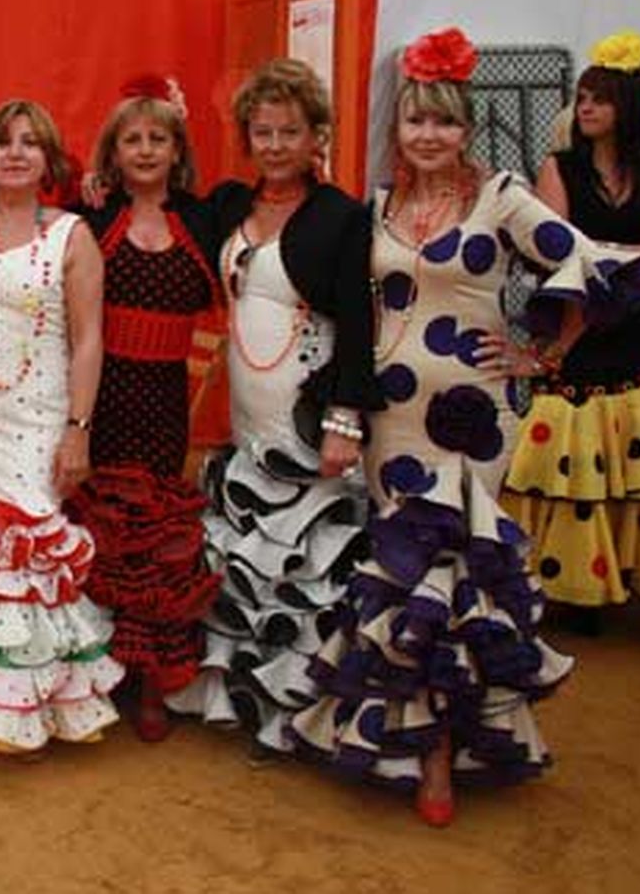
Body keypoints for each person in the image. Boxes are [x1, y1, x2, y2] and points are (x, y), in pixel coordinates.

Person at [290, 27, 640, 827]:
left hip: (472, 424)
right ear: (398, 129)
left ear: (468, 126)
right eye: (416, 121)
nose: (429, 136)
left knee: (459, 578)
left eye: (445, 121)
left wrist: (542, 352)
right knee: (401, 578)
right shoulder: (377, 206)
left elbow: (589, 259)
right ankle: (397, 736)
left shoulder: (501, 194)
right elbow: (351, 309)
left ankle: (443, 758)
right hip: (392, 425)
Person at [162, 59, 381, 759]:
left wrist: (347, 422)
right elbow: (165, 204)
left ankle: (300, 714)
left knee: (305, 566)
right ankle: (239, 696)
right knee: (248, 557)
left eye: (291, 130)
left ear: (317, 136)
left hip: (311, 411)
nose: (277, 144)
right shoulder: (230, 204)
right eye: (264, 131)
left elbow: (359, 322)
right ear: (248, 138)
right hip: (247, 414)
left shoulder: (343, 216)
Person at [0, 98, 123, 754]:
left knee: (29, 536)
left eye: (30, 143)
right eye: (3, 142)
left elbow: (90, 340)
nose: (15, 153)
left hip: (40, 412)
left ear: (49, 159)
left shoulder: (73, 235)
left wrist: (78, 428)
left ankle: (38, 703)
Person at [502, 30, 640, 644]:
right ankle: (569, 586)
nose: (586, 109)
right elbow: (554, 250)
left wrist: (615, 254)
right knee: (566, 460)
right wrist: (629, 259)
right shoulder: (561, 168)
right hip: (578, 332)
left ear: (628, 105)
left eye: (600, 99)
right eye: (581, 98)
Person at [66, 78, 221, 743]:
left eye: (159, 138)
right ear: (114, 152)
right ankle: (94, 670)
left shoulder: (208, 216)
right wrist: (83, 188)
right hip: (101, 397)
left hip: (167, 401)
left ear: (178, 146)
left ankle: (153, 679)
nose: (147, 148)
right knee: (100, 524)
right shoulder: (92, 217)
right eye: (133, 139)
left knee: (157, 535)